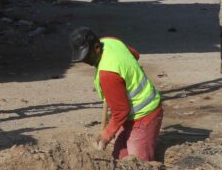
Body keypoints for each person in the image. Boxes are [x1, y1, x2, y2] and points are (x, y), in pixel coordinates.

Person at [70, 27, 163, 161]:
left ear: (96, 47)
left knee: (137, 165)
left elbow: (121, 111)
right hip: (130, 116)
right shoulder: (110, 41)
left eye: (86, 57)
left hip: (145, 114)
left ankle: (150, 142)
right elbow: (135, 54)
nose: (85, 61)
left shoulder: (108, 73)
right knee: (119, 159)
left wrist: (105, 136)